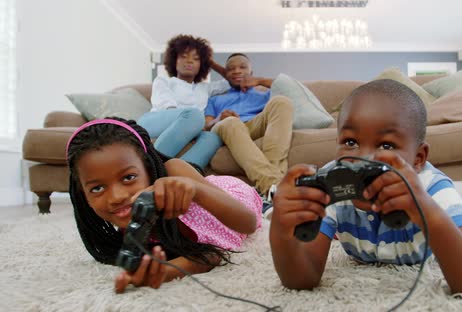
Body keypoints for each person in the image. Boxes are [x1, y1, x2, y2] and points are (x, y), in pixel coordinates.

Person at [269, 79, 462, 297]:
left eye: (386, 145)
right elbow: (302, 281)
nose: (363, 159)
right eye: (350, 142)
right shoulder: (333, 183)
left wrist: (426, 211)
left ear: (418, 159)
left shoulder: (432, 188)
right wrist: (281, 231)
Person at [66, 117, 262, 294]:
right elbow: (206, 255)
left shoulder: (174, 170)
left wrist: (196, 189)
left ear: (149, 168)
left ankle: (266, 200)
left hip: (228, 194)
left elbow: (248, 224)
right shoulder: (130, 223)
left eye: (129, 177)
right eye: (97, 188)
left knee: (257, 205)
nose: (116, 197)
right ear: (82, 194)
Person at [204, 53, 294, 198]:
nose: (237, 71)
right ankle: (273, 186)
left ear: (251, 72)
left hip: (255, 124)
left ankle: (273, 188)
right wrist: (219, 118)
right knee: (231, 122)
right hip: (227, 126)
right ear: (225, 75)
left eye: (242, 67)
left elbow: (292, 89)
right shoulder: (215, 99)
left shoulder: (264, 95)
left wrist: (259, 81)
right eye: (231, 69)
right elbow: (206, 125)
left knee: (282, 101)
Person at [138, 34, 230, 172]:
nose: (189, 61)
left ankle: (181, 174)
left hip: (191, 126)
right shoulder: (163, 81)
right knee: (195, 116)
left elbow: (230, 82)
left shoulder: (205, 88)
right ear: (174, 60)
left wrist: (211, 63)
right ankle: (154, 165)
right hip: (154, 121)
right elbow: (167, 105)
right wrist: (192, 123)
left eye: (196, 58)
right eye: (183, 56)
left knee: (213, 137)